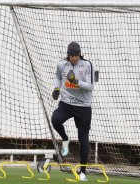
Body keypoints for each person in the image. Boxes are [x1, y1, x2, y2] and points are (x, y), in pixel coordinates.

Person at [51, 42, 95, 181]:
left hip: (83, 106)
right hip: (67, 102)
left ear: (80, 54)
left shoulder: (87, 65)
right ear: (68, 55)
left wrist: (76, 82)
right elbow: (58, 77)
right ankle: (65, 139)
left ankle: (83, 172)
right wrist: (56, 89)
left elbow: (90, 86)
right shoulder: (62, 65)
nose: (74, 58)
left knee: (83, 140)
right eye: (71, 55)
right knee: (55, 119)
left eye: (76, 55)